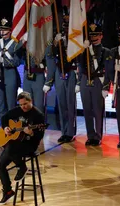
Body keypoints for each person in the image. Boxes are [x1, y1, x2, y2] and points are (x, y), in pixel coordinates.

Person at [0, 92, 45, 205]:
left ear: (31, 101)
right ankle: (7, 191)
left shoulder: (38, 115)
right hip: (15, 145)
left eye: (25, 104)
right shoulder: (17, 110)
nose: (23, 107)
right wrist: (6, 127)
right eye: (21, 105)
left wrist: (32, 133)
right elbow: (4, 118)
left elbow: (40, 136)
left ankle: (22, 167)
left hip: (29, 145)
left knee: (11, 146)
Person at [43, 7, 78, 143]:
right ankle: (64, 131)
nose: (65, 27)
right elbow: (50, 55)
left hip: (71, 71)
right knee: (62, 103)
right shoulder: (56, 37)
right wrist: (55, 44)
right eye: (64, 24)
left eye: (67, 24)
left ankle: (71, 132)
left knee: (70, 103)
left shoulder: (76, 38)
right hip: (59, 71)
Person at [77, 23, 112, 146]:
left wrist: (106, 86)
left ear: (101, 36)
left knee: (98, 110)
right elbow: (80, 66)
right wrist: (78, 82)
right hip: (85, 80)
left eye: (96, 35)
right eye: (92, 35)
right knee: (86, 110)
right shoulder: (85, 50)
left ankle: (98, 136)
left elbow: (108, 70)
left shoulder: (106, 51)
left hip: (98, 81)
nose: (94, 38)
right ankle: (90, 135)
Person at [0, 18, 23, 118]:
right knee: (1, 104)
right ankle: (3, 127)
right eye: (1, 30)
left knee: (11, 104)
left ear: (10, 30)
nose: (2, 32)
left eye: (4, 29)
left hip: (11, 75)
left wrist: (3, 62)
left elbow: (17, 62)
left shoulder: (16, 44)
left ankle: (12, 127)